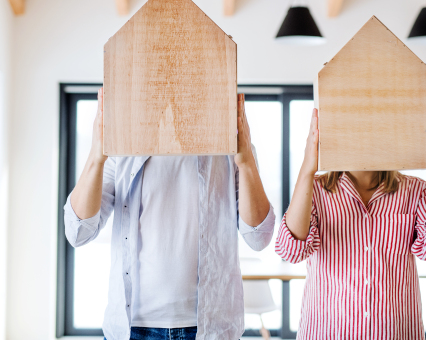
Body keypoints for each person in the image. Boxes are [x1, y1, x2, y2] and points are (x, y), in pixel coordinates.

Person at [64, 90, 275, 340]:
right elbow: (78, 232)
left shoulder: (229, 144)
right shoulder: (122, 146)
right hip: (133, 328)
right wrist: (96, 157)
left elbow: (258, 237)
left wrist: (247, 161)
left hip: (212, 328)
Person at [275, 109, 426, 339]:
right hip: (327, 331)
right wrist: (307, 169)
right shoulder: (315, 190)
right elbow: (291, 251)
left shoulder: (415, 191)